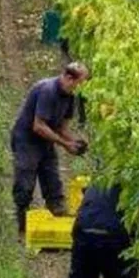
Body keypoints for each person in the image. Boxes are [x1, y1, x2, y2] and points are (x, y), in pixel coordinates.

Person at [10, 62, 89, 238]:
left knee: (51, 176)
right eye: (80, 83)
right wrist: (64, 144)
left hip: (45, 139)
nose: (82, 88)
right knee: (25, 179)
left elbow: (61, 127)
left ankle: (58, 214)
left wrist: (75, 141)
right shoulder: (47, 90)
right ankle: (23, 222)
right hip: (27, 139)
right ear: (69, 78)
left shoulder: (70, 96)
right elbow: (38, 126)